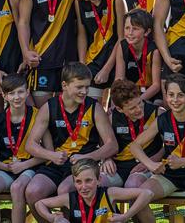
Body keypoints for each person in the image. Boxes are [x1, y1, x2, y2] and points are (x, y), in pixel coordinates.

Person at [24, 63, 118, 220]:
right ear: (64, 85)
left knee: (65, 189)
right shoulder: (49, 107)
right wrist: (51, 155)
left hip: (83, 165)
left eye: (87, 87)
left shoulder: (94, 107)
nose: (84, 92)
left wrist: (88, 157)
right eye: (79, 87)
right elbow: (30, 145)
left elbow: (112, 145)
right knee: (32, 191)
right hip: (56, 163)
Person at [130, 73, 185, 223]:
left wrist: (183, 162)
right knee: (139, 197)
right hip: (169, 174)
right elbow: (134, 145)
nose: (175, 100)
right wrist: (150, 164)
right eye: (171, 95)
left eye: (180, 95)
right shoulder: (162, 119)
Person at [18, 0, 78, 107]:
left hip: (68, 57)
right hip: (42, 57)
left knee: (68, 108)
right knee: (42, 110)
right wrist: (26, 52)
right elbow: (23, 22)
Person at [0, 74, 48, 223]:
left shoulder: (39, 116)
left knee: (17, 188)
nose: (16, 97)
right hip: (7, 167)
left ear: (27, 92)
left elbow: (48, 152)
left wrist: (24, 165)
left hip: (32, 167)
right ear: (4, 96)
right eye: (11, 93)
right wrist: (5, 166)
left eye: (20, 92)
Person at [35, 158, 155, 223]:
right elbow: (39, 203)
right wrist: (52, 218)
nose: (84, 187)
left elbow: (147, 193)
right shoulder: (69, 198)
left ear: (98, 180)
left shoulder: (109, 193)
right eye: (78, 182)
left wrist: (125, 216)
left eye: (88, 180)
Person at [75, 0, 127, 105]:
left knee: (115, 109)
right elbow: (82, 33)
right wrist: (82, 63)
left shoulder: (117, 0)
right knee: (93, 108)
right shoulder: (79, 2)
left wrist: (106, 69)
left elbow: (122, 38)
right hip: (92, 60)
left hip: (116, 60)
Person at [102, 80, 163, 189]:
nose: (139, 109)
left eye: (140, 103)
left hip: (147, 163)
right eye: (132, 108)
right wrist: (107, 159)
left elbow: (168, 147)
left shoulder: (158, 113)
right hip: (119, 166)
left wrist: (150, 162)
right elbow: (105, 142)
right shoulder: (112, 118)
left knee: (133, 184)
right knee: (98, 183)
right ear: (119, 109)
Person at [115, 8, 162, 103]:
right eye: (127, 28)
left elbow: (156, 85)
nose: (130, 33)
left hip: (152, 94)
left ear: (147, 32)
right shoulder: (122, 46)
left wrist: (138, 100)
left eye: (135, 29)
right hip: (131, 93)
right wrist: (116, 101)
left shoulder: (154, 50)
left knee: (157, 105)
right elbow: (119, 79)